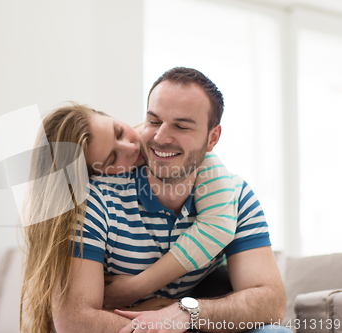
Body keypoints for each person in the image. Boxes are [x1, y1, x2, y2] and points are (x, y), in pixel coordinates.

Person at [52, 67, 290, 333]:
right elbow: (75, 321)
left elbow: (271, 302)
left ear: (212, 138)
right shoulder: (96, 201)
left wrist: (181, 313)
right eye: (154, 121)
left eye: (181, 126)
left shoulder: (234, 195)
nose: (159, 138)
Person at [19, 101, 241, 332]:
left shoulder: (187, 153)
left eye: (119, 131)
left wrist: (138, 288)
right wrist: (151, 311)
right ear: (98, 178)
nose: (130, 148)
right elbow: (79, 318)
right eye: (112, 159)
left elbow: (219, 226)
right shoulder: (95, 204)